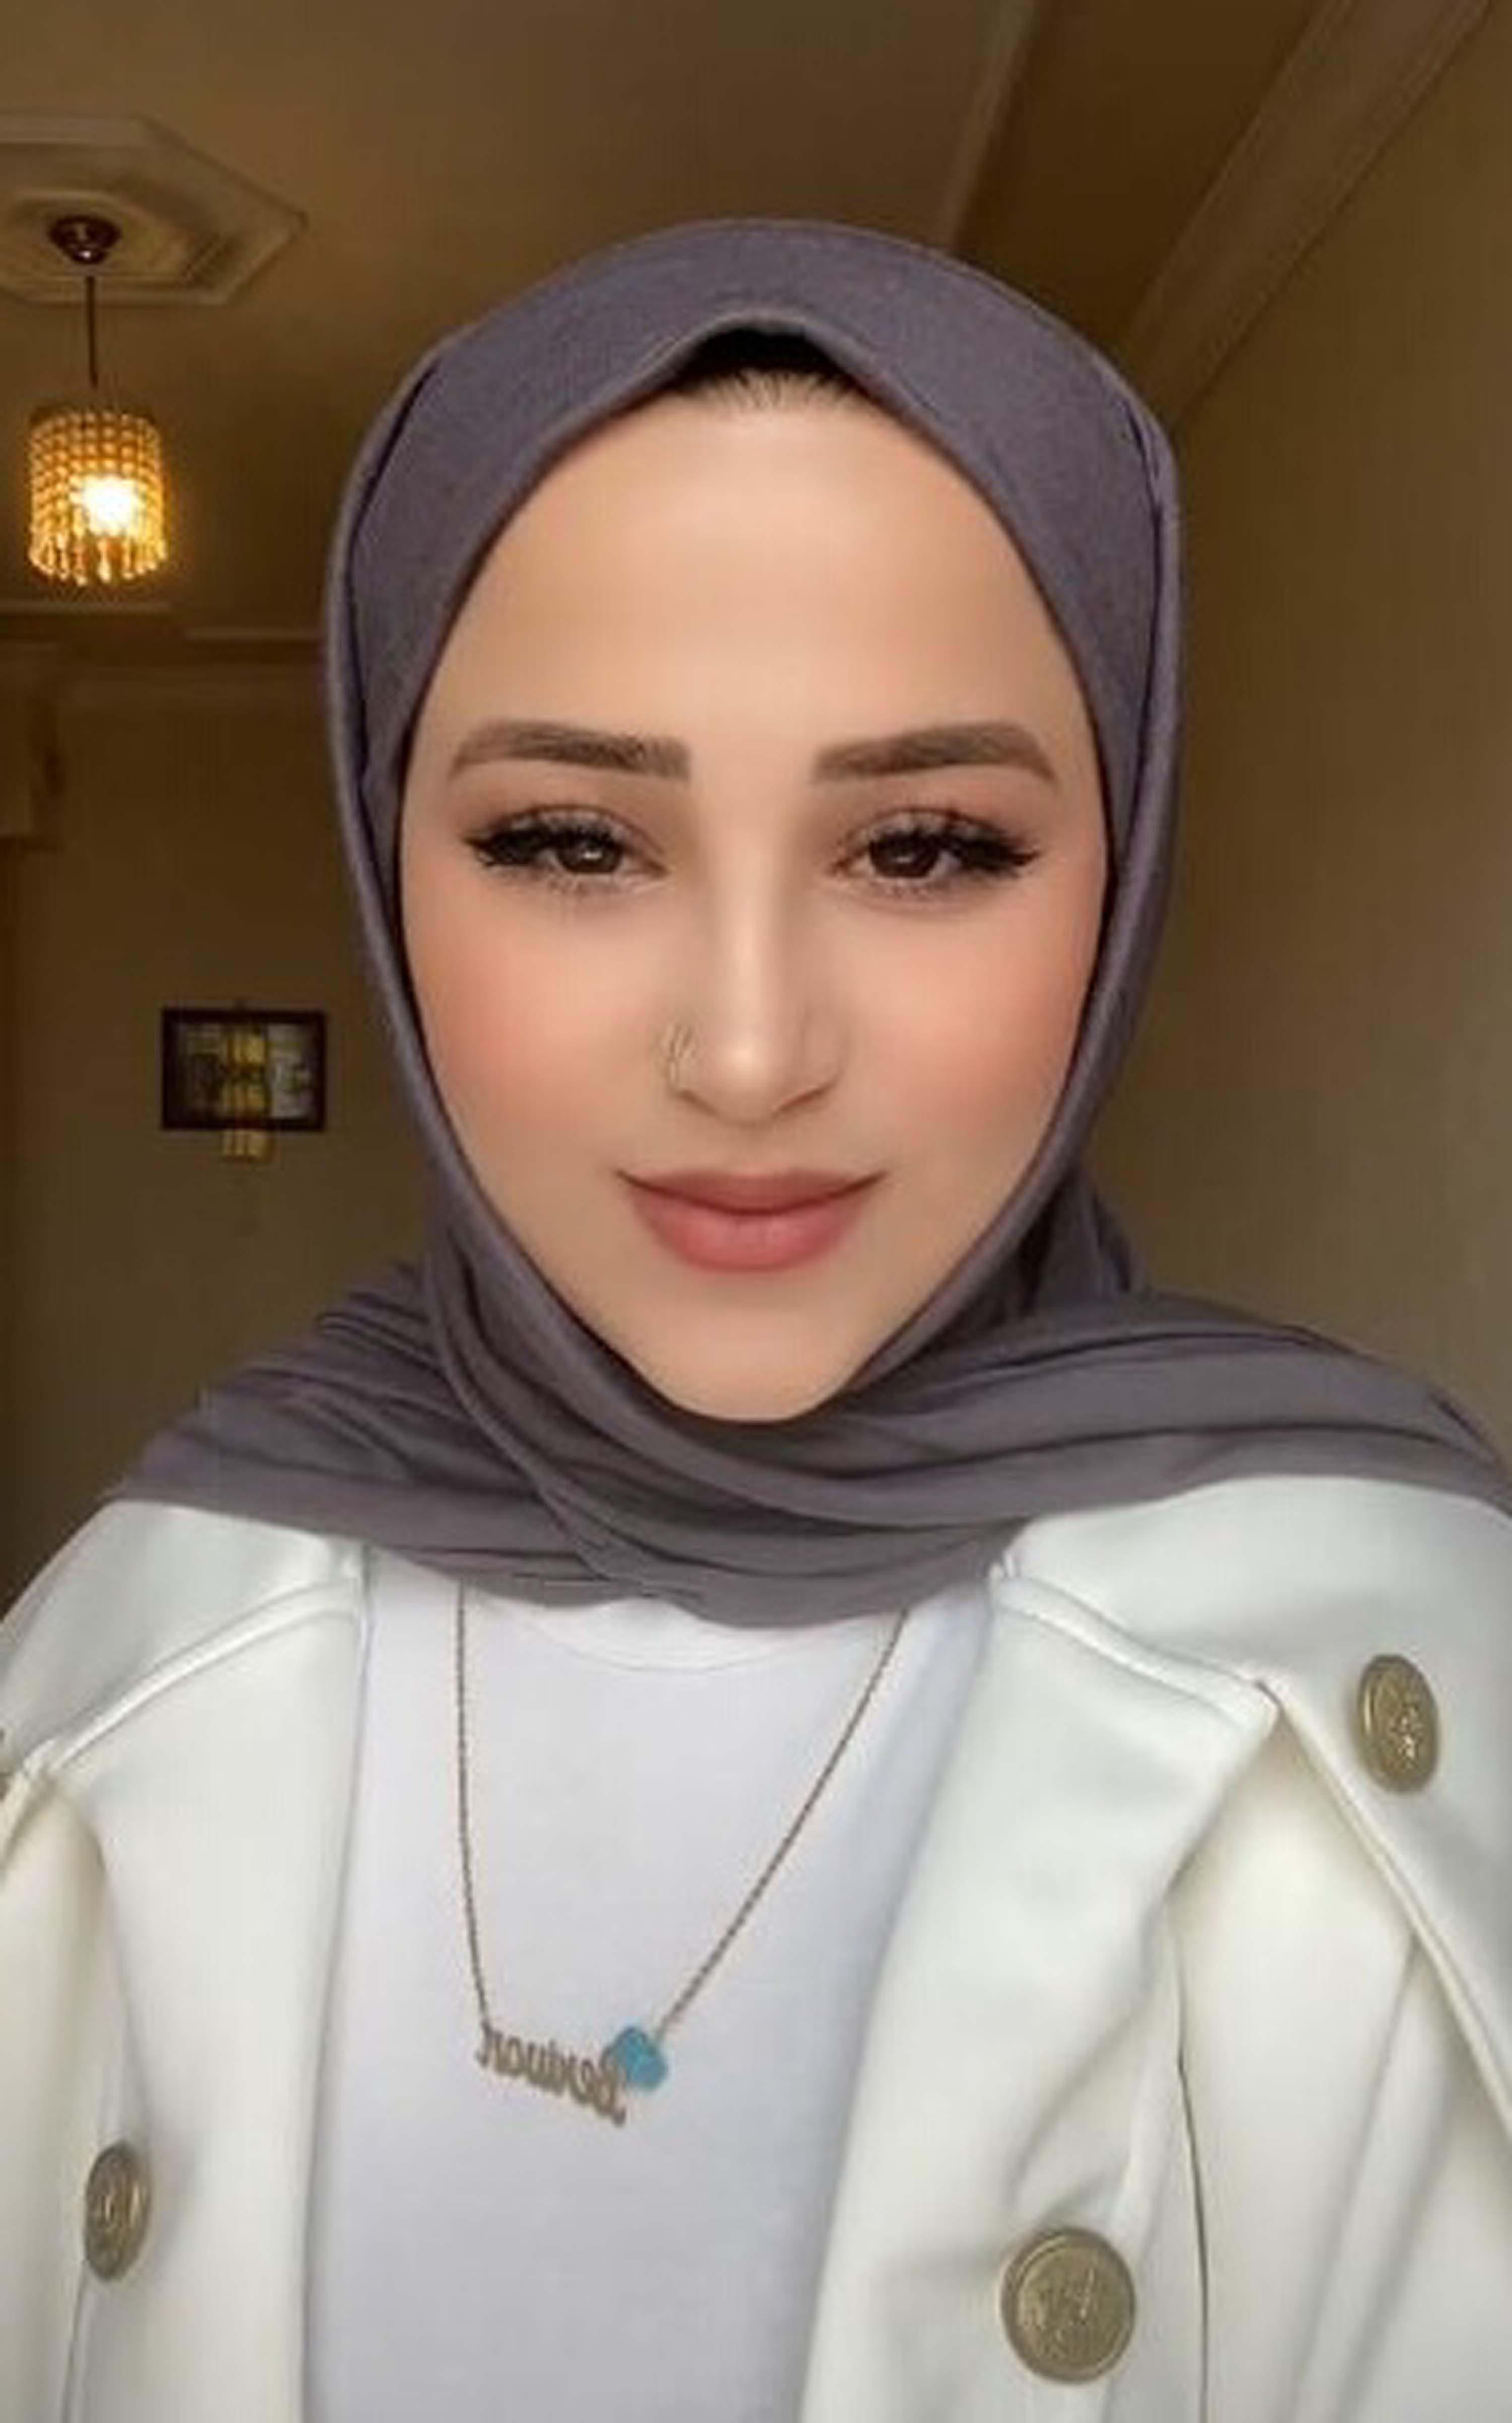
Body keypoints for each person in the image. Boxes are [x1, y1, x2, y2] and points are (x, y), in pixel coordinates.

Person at [1, 218, 1509, 2423]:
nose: (744, 1051)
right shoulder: (120, 1649)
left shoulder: (1423, 1659)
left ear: (1125, 866)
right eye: (568, 841)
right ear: (383, 859)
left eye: (923, 847)